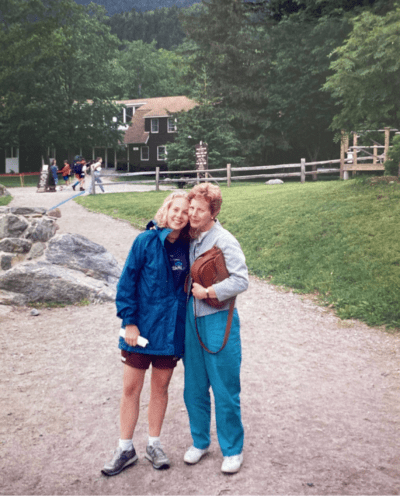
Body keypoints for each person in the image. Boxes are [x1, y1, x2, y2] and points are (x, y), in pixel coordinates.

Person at [102, 191, 190, 477]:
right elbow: (127, 283)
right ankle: (125, 448)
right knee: (130, 390)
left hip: (170, 330)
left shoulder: (190, 246)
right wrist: (129, 321)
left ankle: (154, 444)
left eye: (185, 212)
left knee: (160, 389)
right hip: (139, 331)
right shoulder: (145, 241)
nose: (179, 215)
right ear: (166, 210)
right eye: (175, 209)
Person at [183, 183, 249, 474]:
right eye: (192, 208)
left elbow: (241, 280)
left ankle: (233, 450)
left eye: (200, 210)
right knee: (194, 386)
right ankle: (200, 442)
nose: (193, 214)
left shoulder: (224, 239)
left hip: (218, 319)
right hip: (190, 319)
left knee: (224, 388)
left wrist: (208, 292)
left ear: (214, 212)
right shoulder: (190, 236)